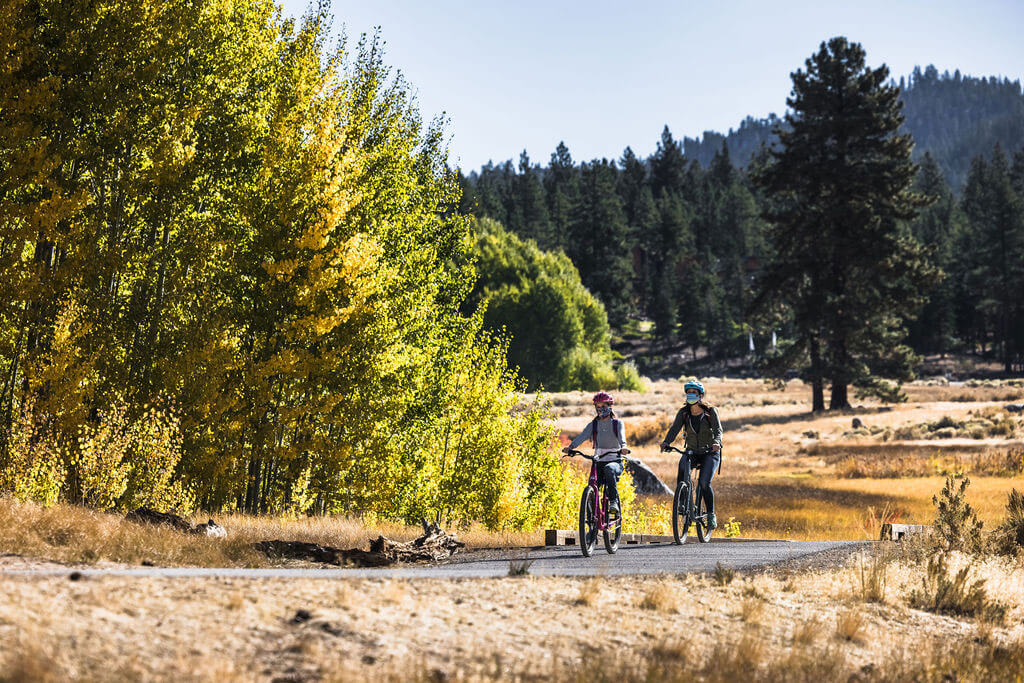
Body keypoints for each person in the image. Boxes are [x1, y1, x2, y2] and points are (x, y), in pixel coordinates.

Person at [660, 379, 723, 529]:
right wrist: (666, 442)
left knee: (704, 483)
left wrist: (717, 443)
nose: (690, 396)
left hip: (710, 452)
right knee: (682, 468)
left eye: (693, 393)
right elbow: (674, 429)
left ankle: (710, 515)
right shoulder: (684, 413)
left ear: (700, 395)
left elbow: (718, 430)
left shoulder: (710, 412)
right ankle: (682, 503)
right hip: (692, 451)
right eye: (688, 393)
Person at [562, 391, 629, 517]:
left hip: (615, 461)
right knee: (592, 486)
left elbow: (622, 438)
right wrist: (571, 447)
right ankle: (592, 521)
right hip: (598, 462)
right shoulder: (594, 424)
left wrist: (624, 447)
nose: (600, 409)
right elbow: (582, 436)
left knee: (609, 469)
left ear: (610, 406)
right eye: (598, 407)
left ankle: (613, 502)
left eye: (603, 406)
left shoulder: (617, 423)